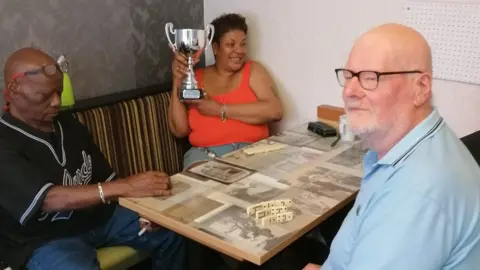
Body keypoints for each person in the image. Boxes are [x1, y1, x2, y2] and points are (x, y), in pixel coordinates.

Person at [304, 23, 480, 270]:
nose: (349, 91)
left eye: (370, 77)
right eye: (348, 75)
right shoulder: (415, 147)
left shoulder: (416, 191)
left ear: (420, 88)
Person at [0, 47, 186, 270]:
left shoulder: (67, 124)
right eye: (45, 96)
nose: (56, 102)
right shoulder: (5, 139)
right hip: (46, 240)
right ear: (13, 89)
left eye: (59, 92)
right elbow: (48, 200)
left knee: (174, 232)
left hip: (100, 219)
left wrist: (142, 207)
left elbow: (106, 178)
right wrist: (126, 185)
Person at [168, 13, 283, 169]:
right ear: (215, 48)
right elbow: (179, 130)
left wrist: (219, 109)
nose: (239, 50)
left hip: (253, 152)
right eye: (231, 44)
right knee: (205, 188)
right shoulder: (195, 77)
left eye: (243, 44)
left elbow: (275, 111)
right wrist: (177, 80)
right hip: (205, 155)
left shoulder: (253, 71)